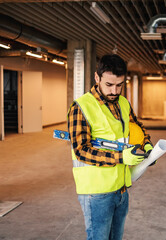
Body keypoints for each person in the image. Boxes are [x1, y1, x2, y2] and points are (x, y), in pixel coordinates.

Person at [68, 54, 153, 240]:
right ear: (97, 78)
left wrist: (146, 144)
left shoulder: (123, 102)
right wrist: (122, 157)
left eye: (119, 85)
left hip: (121, 188)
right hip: (96, 193)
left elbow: (138, 126)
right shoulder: (81, 107)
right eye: (109, 85)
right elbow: (81, 150)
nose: (115, 91)